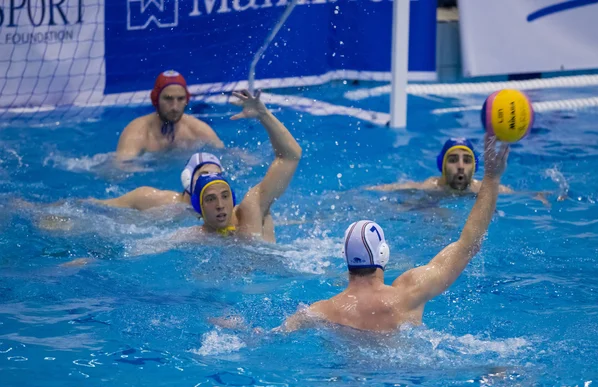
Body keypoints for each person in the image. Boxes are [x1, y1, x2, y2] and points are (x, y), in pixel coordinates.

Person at [281, 132, 507, 332]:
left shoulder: (321, 311)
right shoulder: (408, 294)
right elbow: (469, 244)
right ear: (383, 253)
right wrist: (492, 178)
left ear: (345, 257)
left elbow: (275, 334)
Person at [169, 89, 301, 242]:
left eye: (225, 196)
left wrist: (263, 115)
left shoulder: (250, 211)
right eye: (211, 199)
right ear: (199, 206)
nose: (220, 205)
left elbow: (290, 157)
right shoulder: (191, 237)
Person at [115, 70, 224, 161]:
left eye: (180, 99)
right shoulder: (138, 132)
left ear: (187, 100)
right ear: (155, 99)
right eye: (168, 99)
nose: (175, 107)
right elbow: (120, 169)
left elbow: (226, 156)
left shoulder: (197, 129)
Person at [368, 137, 512, 194]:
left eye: (467, 160)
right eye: (453, 159)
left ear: (475, 167)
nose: (461, 166)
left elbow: (516, 195)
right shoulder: (432, 186)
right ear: (441, 165)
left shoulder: (480, 189)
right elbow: (393, 188)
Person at [92, 152, 223, 211]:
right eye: (204, 174)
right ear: (187, 177)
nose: (210, 180)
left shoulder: (221, 212)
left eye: (216, 176)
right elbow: (99, 207)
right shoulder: (149, 198)